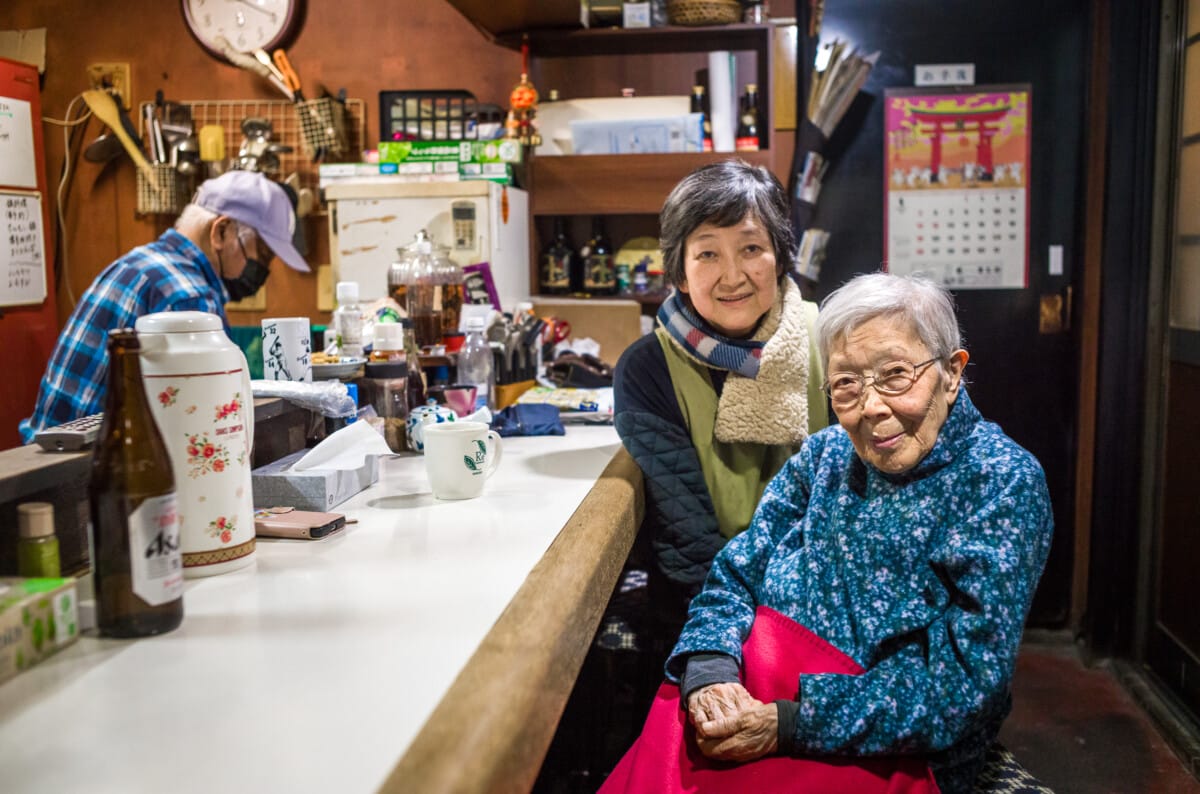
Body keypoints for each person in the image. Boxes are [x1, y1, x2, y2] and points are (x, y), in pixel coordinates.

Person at [611, 272, 1052, 794]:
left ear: (952, 372)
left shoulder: (1000, 482)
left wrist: (792, 724)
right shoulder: (825, 455)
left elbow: (964, 687)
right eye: (846, 383)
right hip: (751, 689)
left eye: (895, 375)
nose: (870, 407)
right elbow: (734, 574)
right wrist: (710, 669)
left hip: (883, 748)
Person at [612, 159, 828, 656]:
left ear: (779, 256)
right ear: (681, 274)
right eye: (707, 253)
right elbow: (689, 545)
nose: (733, 275)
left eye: (751, 248)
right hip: (704, 610)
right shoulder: (647, 369)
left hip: (824, 602)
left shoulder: (834, 341)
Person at [20, 170, 309, 443]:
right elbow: (214, 427)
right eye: (264, 255)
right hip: (84, 473)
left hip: (40, 460)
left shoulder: (139, 263)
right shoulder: (188, 300)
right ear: (221, 232)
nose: (264, 270)